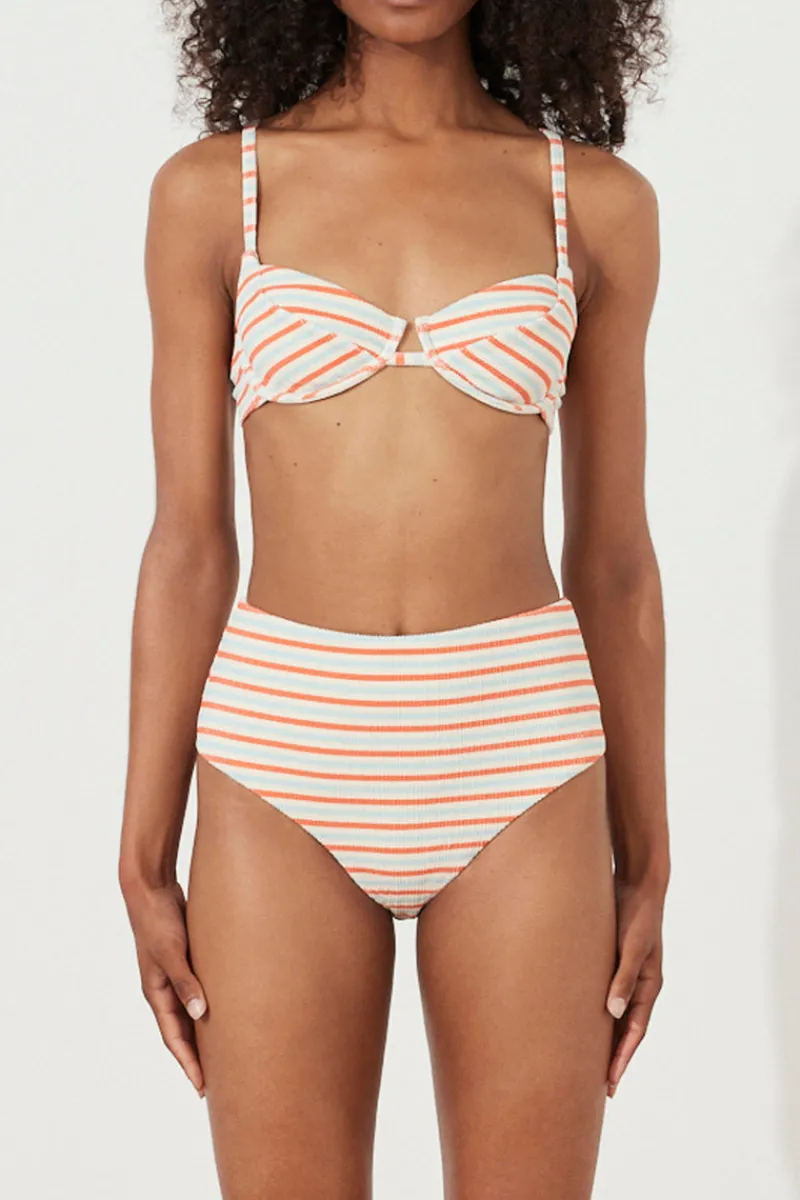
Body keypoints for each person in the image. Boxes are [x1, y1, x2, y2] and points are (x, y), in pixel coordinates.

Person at [119, 1, 670, 1196]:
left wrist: (649, 854)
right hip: (281, 760)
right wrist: (142, 855)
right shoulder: (213, 194)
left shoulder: (592, 204)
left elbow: (614, 558)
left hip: (520, 756)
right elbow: (189, 546)